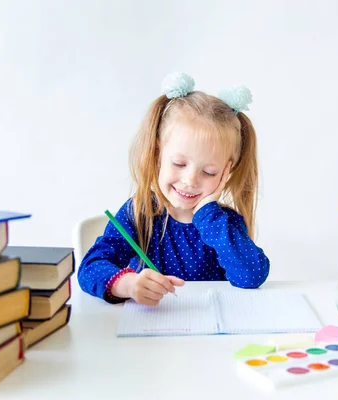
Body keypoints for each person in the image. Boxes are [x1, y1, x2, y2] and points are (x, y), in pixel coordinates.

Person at [78, 72, 270, 305]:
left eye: (208, 172)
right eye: (179, 164)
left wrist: (207, 215)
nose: (190, 180)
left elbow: (251, 276)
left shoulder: (223, 223)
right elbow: (90, 268)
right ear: (158, 154)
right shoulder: (140, 213)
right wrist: (128, 284)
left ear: (226, 172)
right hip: (151, 332)